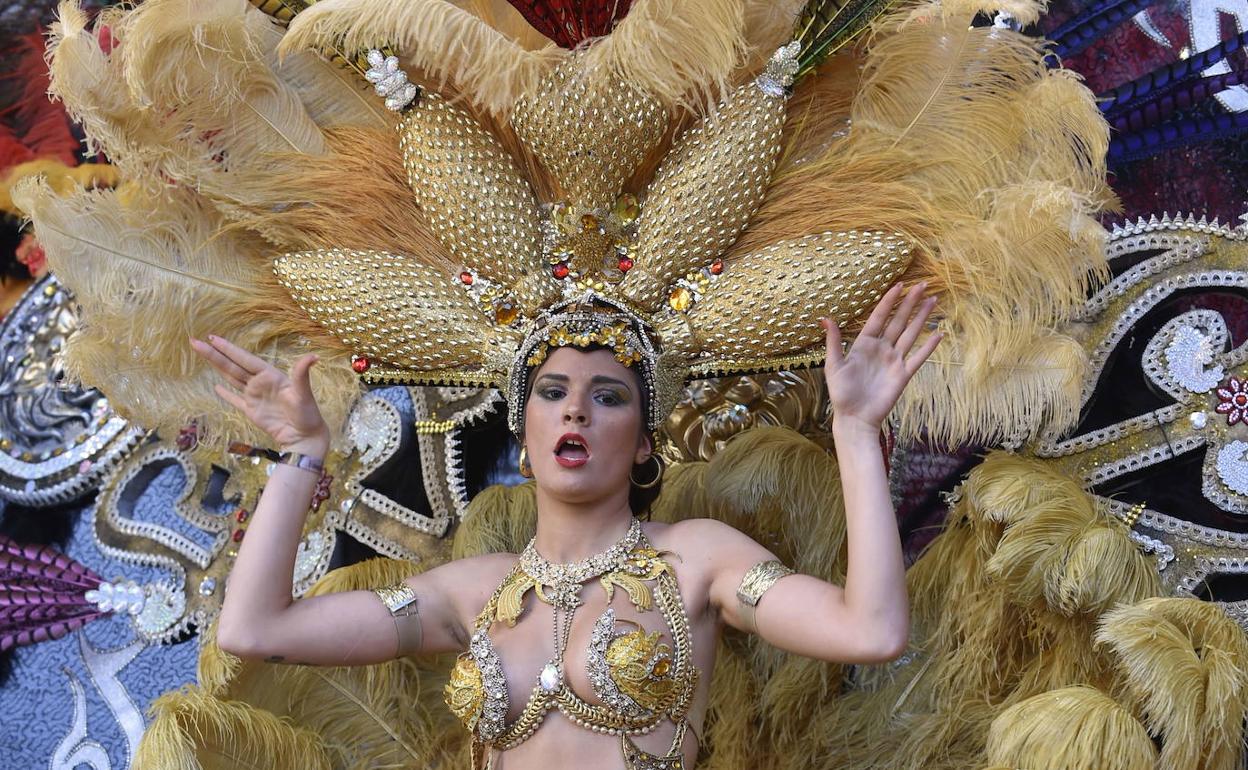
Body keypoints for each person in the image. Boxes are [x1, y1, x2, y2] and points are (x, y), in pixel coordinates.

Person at [192, 281, 940, 770]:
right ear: (526, 428)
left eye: (608, 396)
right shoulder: (470, 593)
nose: (577, 409)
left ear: (646, 440)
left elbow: (870, 632)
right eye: (553, 391)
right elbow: (255, 630)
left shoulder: (697, 563)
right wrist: (300, 455)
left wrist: (853, 429)